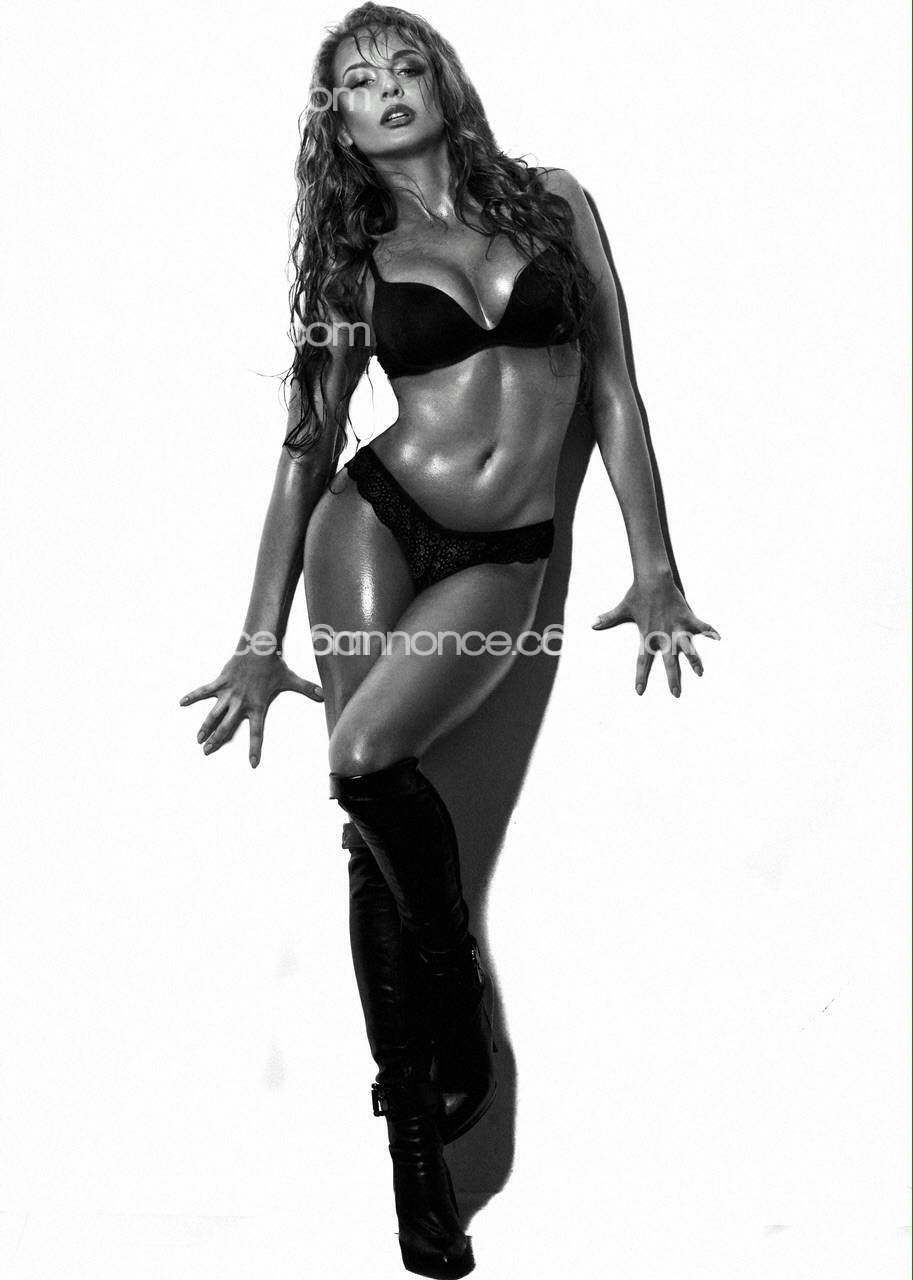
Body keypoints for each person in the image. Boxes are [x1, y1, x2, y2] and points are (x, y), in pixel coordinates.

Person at [180, 5, 720, 1276]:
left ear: (440, 80)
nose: (387, 87)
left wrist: (654, 565)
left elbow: (613, 388)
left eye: (404, 64)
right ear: (339, 125)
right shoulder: (350, 262)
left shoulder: (553, 204)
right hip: (371, 520)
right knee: (363, 794)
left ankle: (441, 1032)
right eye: (357, 80)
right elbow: (309, 444)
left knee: (365, 768)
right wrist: (257, 635)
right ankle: (419, 1138)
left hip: (501, 553)